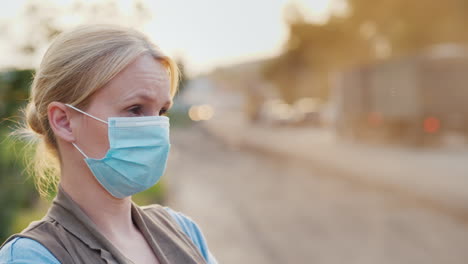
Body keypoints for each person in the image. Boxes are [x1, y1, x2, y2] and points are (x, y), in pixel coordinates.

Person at [0, 24, 217, 264]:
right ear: (64, 122)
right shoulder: (31, 256)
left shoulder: (184, 231)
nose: (155, 128)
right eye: (135, 109)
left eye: (161, 111)